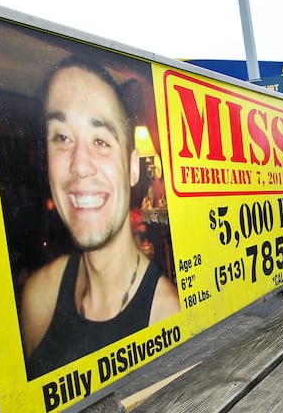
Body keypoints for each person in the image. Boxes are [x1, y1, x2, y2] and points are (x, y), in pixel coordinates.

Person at [21, 56, 180, 378]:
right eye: (62, 138)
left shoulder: (167, 315)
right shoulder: (39, 295)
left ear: (133, 167)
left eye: (101, 141)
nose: (80, 165)